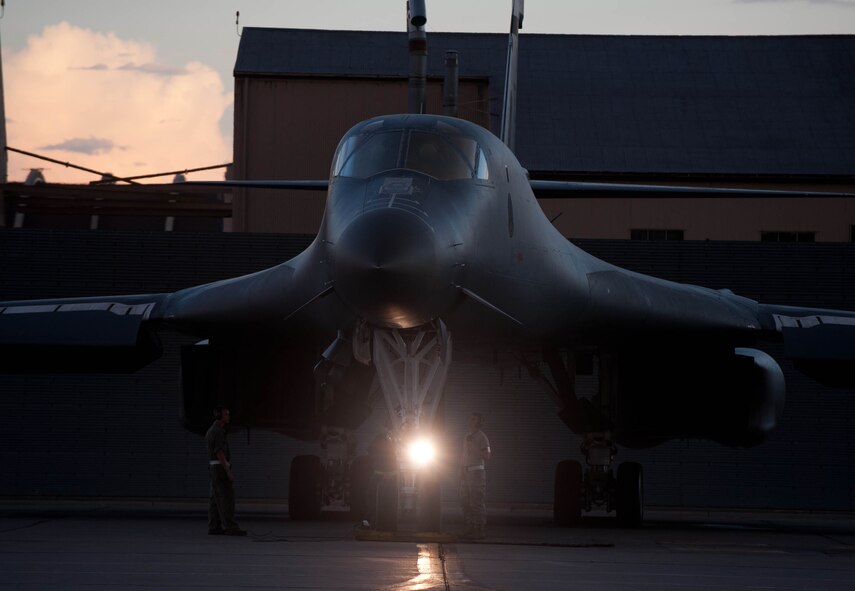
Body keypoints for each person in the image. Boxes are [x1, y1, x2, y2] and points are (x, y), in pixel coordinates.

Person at [205, 406, 247, 536]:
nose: (229, 416)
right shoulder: (218, 431)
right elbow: (219, 452)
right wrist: (227, 470)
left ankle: (214, 526)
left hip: (214, 468)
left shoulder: (212, 430)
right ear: (219, 416)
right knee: (226, 498)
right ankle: (231, 527)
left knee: (215, 499)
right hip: (220, 468)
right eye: (226, 414)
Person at [459, 412, 491, 539]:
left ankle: (479, 530)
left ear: (478, 422)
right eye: (470, 419)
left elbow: (487, 456)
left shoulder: (482, 437)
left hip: (477, 473)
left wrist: (474, 448)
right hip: (466, 472)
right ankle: (470, 527)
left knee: (476, 501)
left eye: (473, 419)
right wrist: (461, 470)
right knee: (465, 501)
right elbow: (463, 454)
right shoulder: (467, 436)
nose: (470, 421)